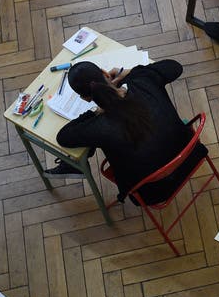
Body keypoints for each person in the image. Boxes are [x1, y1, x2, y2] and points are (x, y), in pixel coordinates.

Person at [44, 59, 207, 205]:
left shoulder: (99, 126)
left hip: (155, 191)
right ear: (105, 73)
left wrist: (95, 112)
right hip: (191, 154)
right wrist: (129, 72)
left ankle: (73, 166)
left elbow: (64, 137)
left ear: (85, 98)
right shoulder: (143, 81)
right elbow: (174, 66)